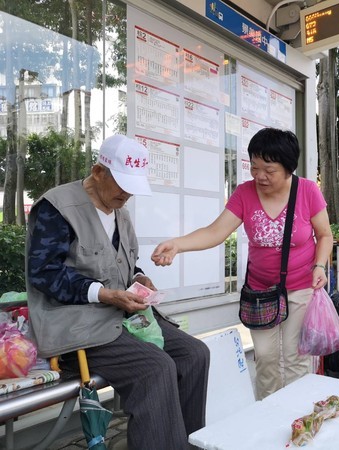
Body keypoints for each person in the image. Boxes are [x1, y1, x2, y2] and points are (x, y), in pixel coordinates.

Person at [26, 134, 210, 449]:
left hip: (119, 317)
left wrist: (140, 278)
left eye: (132, 187)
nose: (127, 194)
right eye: (122, 184)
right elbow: (44, 273)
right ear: (99, 172)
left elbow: (122, 264)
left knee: (194, 355)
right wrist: (106, 295)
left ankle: (185, 443)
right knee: (155, 368)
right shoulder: (57, 207)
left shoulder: (119, 211)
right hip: (76, 329)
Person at [152, 127, 333, 400]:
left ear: (288, 168)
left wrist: (320, 265)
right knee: (266, 358)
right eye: (255, 167)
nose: (260, 176)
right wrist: (178, 244)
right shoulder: (245, 193)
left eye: (269, 170)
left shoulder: (307, 191)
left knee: (296, 359)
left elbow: (325, 235)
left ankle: (299, 417)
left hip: (301, 288)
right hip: (261, 293)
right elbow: (215, 232)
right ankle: (268, 417)